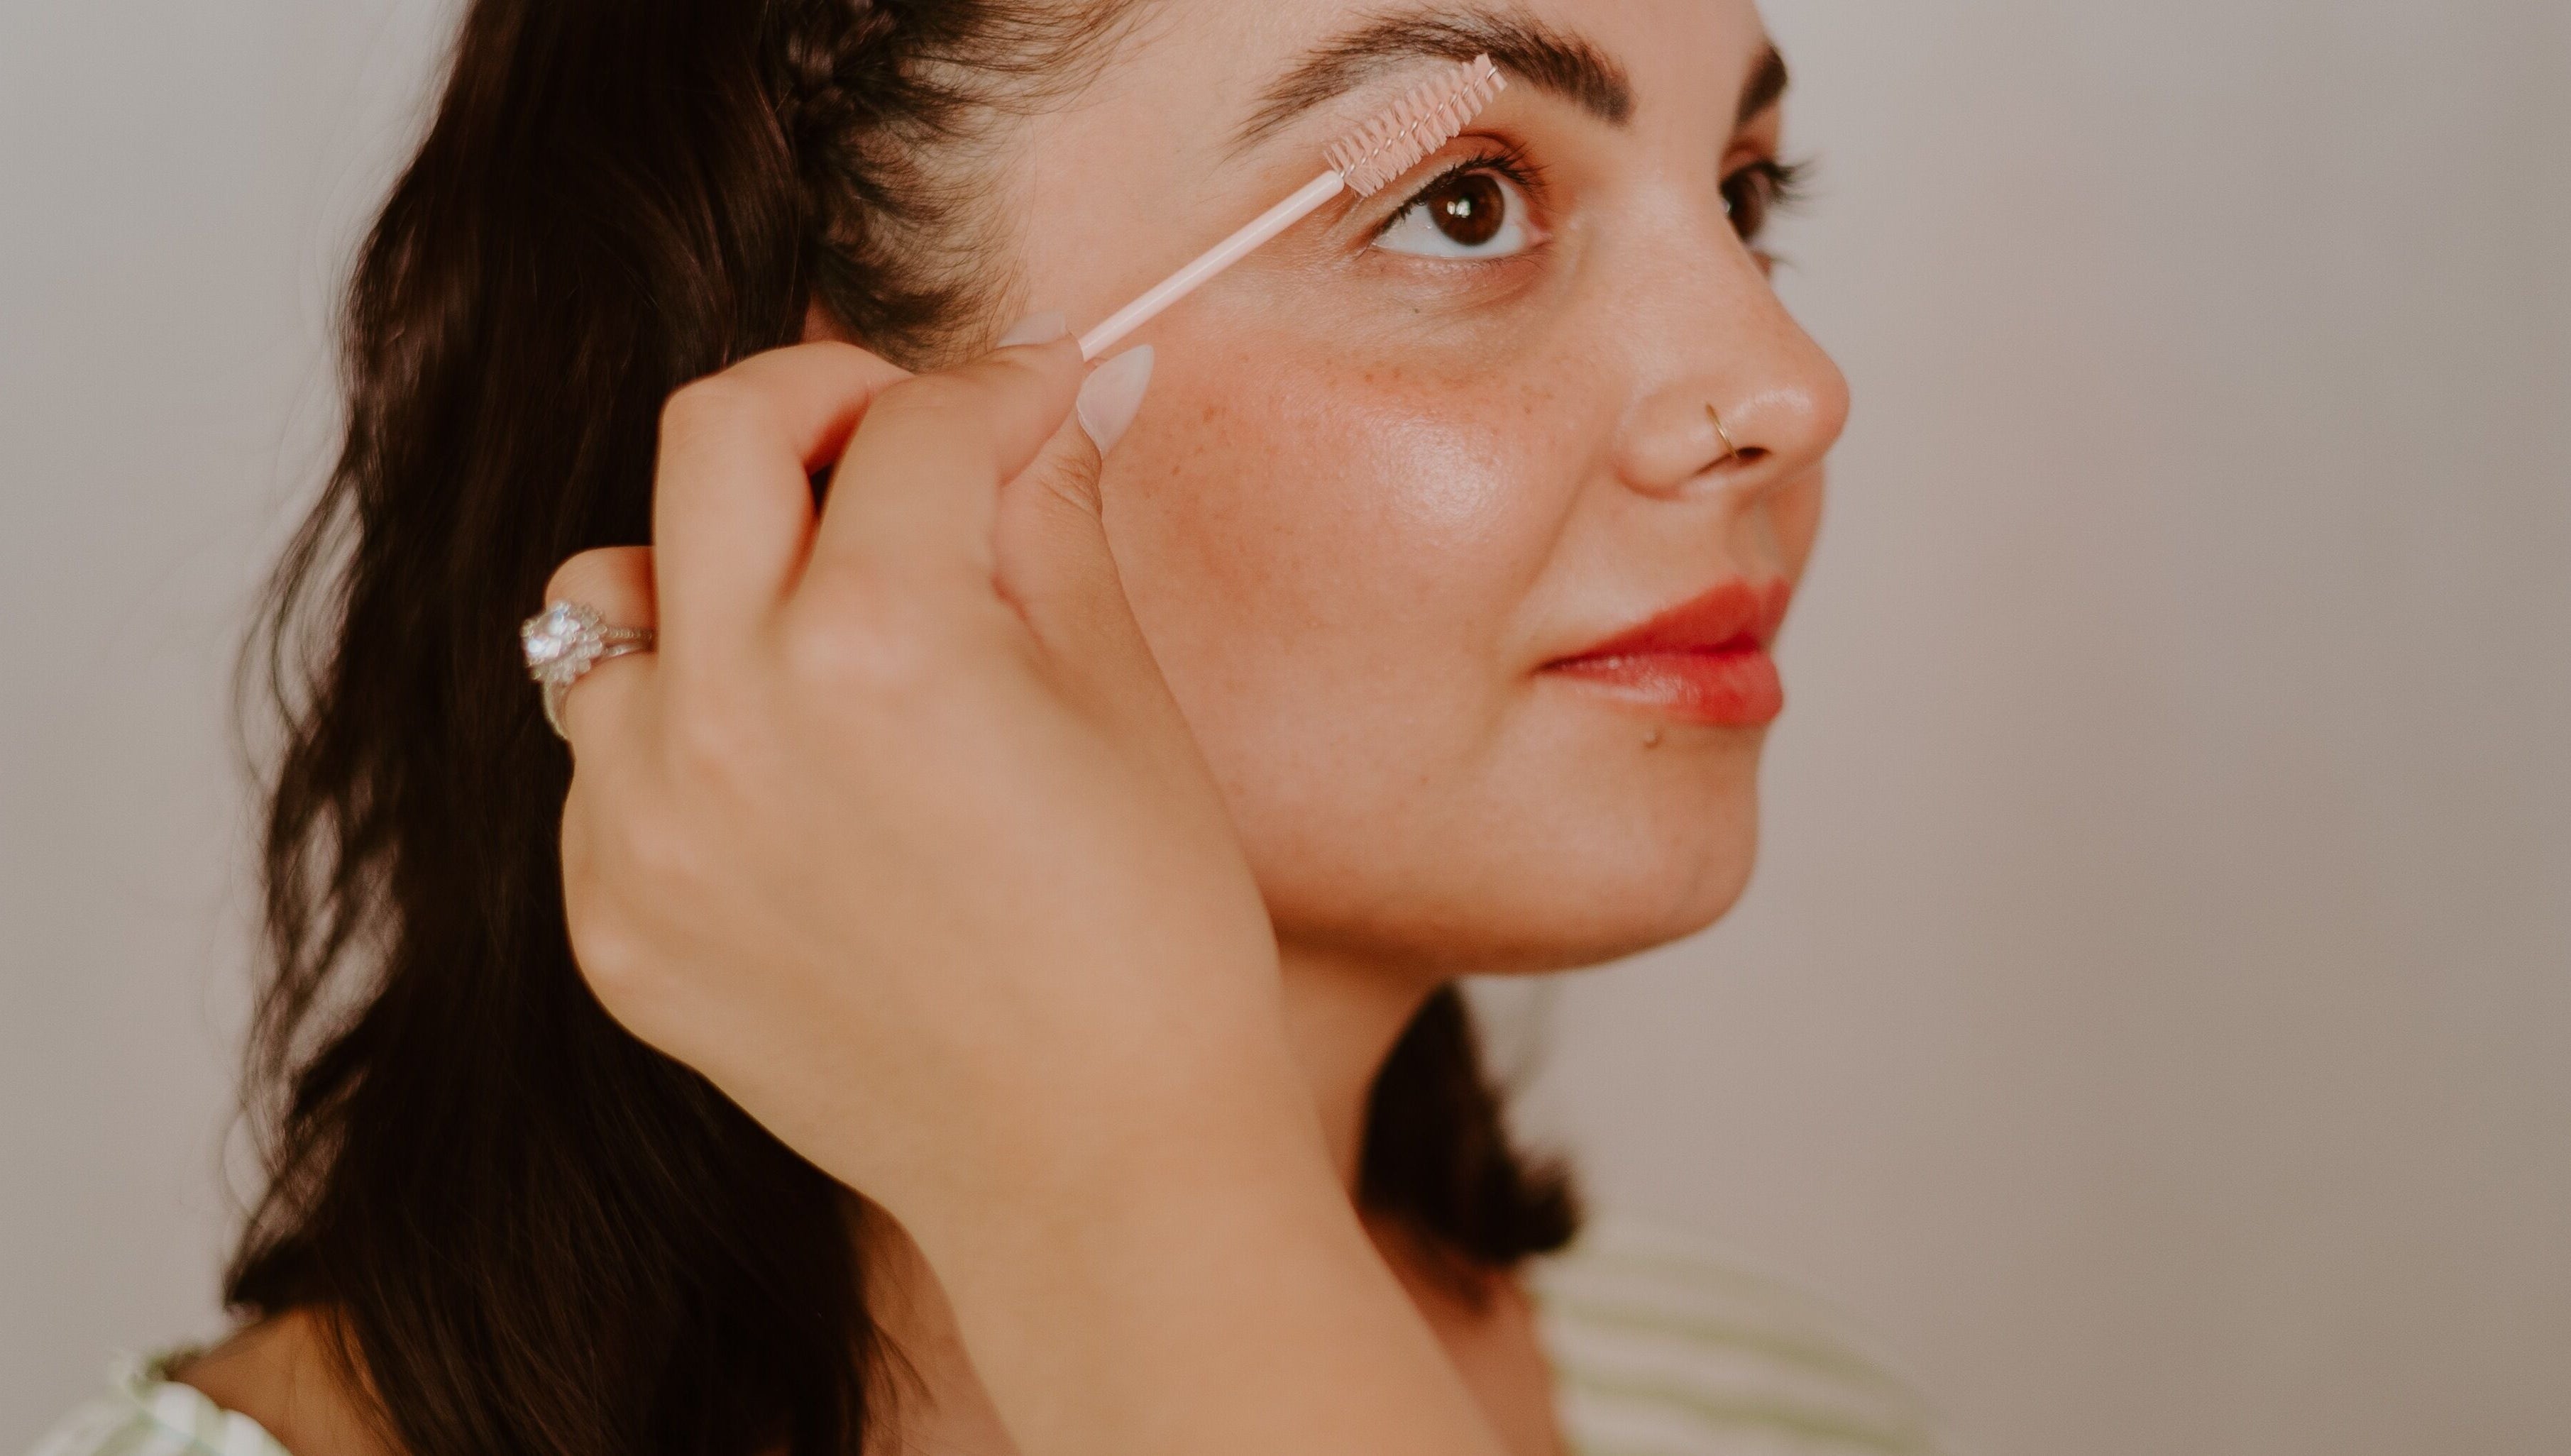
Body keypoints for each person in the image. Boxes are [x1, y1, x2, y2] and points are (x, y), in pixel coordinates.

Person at [28, 0, 1912, 1452]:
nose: (1788, 385)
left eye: (1745, 200)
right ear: (829, 408)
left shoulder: (1770, 1402)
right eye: (1462, 202)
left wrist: (1130, 1200)